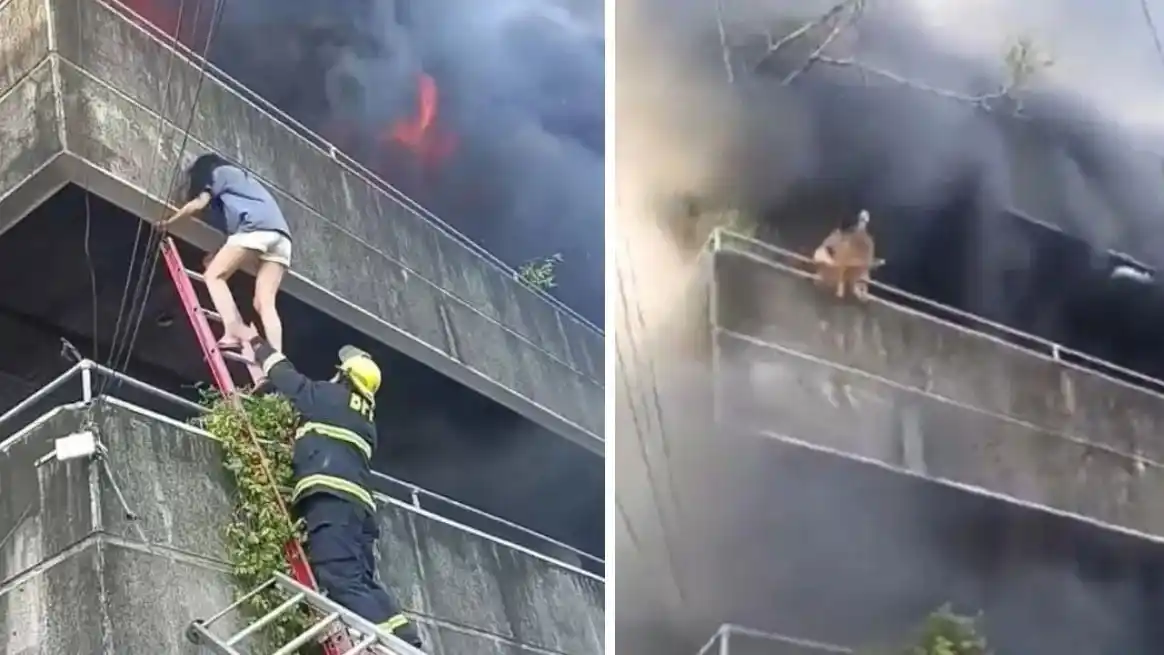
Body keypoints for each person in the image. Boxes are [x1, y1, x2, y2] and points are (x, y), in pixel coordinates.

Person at [238, 324, 423, 649]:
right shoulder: (367, 422)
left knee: (339, 580)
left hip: (331, 502)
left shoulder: (329, 397)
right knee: (361, 580)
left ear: (345, 377)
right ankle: (405, 637)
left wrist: (256, 343)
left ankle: (388, 648)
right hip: (358, 511)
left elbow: (287, 379)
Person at [161, 153, 291, 353]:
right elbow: (239, 242)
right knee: (264, 302)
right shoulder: (244, 183)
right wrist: (218, 254)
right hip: (282, 238)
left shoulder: (219, 173)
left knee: (214, 276)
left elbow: (198, 203)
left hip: (255, 229)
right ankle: (278, 356)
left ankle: (233, 330)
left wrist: (169, 222)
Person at [812, 209, 883, 301]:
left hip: (853, 276)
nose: (862, 224)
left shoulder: (867, 242)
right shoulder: (839, 237)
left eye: (864, 221)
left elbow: (866, 262)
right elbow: (820, 253)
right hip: (835, 277)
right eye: (861, 220)